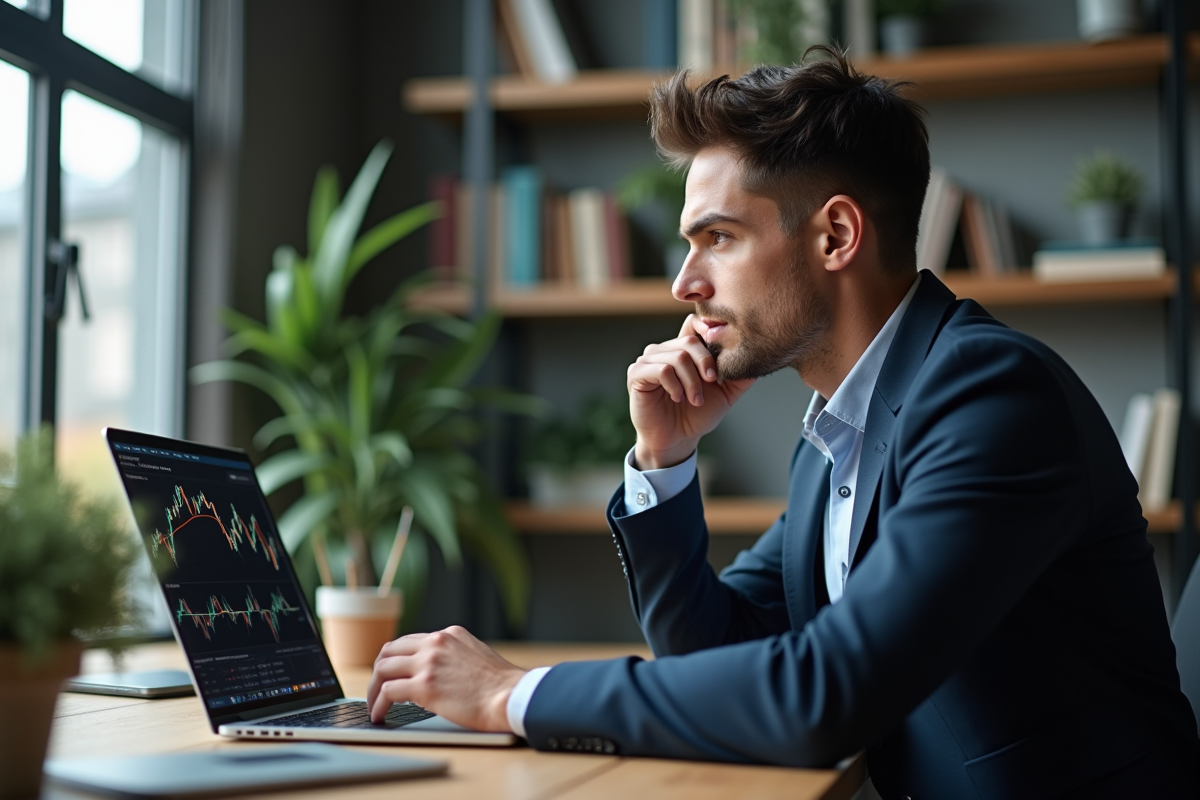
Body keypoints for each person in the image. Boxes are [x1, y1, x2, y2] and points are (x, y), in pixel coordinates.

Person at [367, 49, 1200, 798]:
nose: (684, 284)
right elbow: (719, 658)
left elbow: (825, 694)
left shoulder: (990, 396)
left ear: (836, 235)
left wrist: (512, 694)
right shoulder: (841, 433)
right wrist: (665, 460)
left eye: (718, 238)